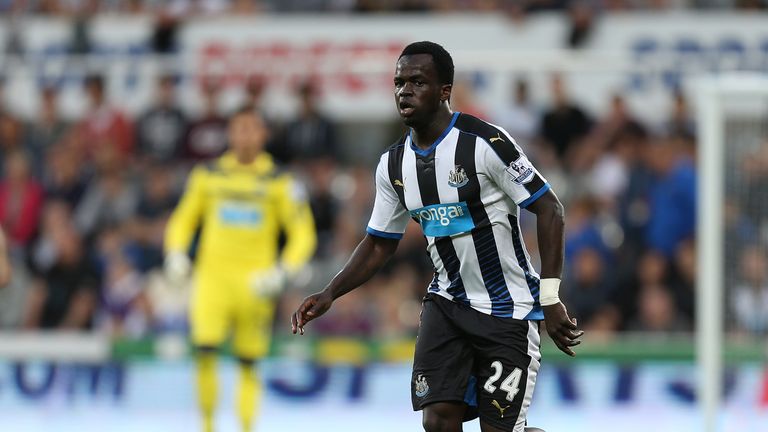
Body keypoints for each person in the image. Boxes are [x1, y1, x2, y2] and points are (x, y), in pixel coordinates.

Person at [292, 41, 582, 432]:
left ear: (444, 90)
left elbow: (551, 210)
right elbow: (380, 241)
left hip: (507, 310)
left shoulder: (484, 143)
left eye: (417, 81)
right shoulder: (393, 163)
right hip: (447, 305)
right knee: (438, 421)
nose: (404, 90)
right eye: (398, 82)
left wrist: (549, 297)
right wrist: (330, 292)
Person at [164, 108, 316, 432]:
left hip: (255, 284)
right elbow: (183, 218)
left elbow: (303, 233)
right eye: (239, 129)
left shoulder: (279, 181)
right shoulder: (208, 175)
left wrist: (283, 271)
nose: (245, 135)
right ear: (229, 134)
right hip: (212, 280)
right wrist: (175, 252)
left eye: (252, 129)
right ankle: (207, 426)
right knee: (205, 353)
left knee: (249, 363)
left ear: (263, 134)